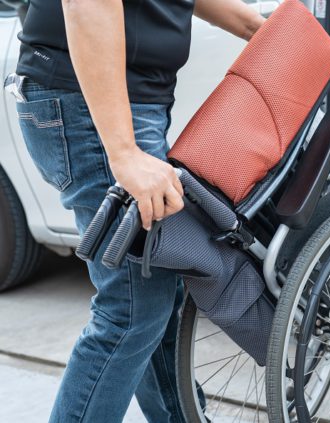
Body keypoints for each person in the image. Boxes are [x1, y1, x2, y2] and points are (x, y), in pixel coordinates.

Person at [6, 0, 265, 422]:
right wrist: (124, 154)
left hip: (119, 101)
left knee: (156, 295)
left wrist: (262, 29)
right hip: (90, 106)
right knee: (132, 308)